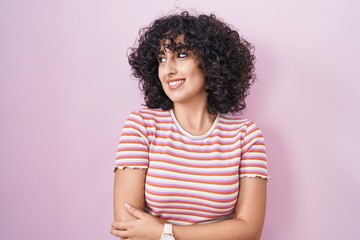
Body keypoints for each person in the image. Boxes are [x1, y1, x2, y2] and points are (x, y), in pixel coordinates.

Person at [110, 10, 269, 240]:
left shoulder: (246, 136)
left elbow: (249, 232)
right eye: (162, 59)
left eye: (181, 55)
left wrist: (164, 232)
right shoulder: (141, 127)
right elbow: (128, 228)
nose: (168, 69)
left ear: (211, 62)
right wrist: (221, 230)